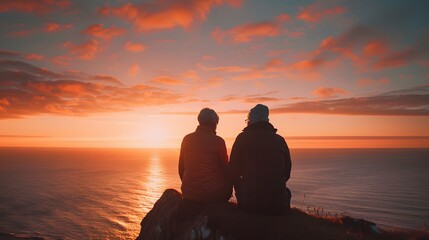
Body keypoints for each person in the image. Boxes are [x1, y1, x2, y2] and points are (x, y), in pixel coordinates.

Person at [229, 104, 292, 215]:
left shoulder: (242, 139)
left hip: (248, 202)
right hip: (277, 203)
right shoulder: (280, 140)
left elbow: (233, 170)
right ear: (267, 120)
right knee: (286, 192)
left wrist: (242, 188)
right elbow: (287, 172)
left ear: (250, 120)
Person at [178, 108, 232, 205]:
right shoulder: (218, 141)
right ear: (213, 123)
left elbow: (181, 168)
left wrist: (191, 187)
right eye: (216, 124)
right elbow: (225, 169)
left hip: (188, 194)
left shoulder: (187, 139)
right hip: (211, 195)